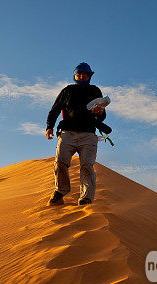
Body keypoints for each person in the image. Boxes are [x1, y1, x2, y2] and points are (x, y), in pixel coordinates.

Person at [45, 62, 108, 206]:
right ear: (75, 76)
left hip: (88, 135)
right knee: (60, 161)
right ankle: (60, 192)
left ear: (89, 76)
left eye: (84, 74)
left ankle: (86, 198)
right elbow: (55, 110)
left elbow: (102, 116)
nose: (81, 76)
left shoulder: (95, 91)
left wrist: (100, 112)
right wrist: (49, 127)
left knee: (87, 165)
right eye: (79, 74)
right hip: (68, 133)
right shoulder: (68, 91)